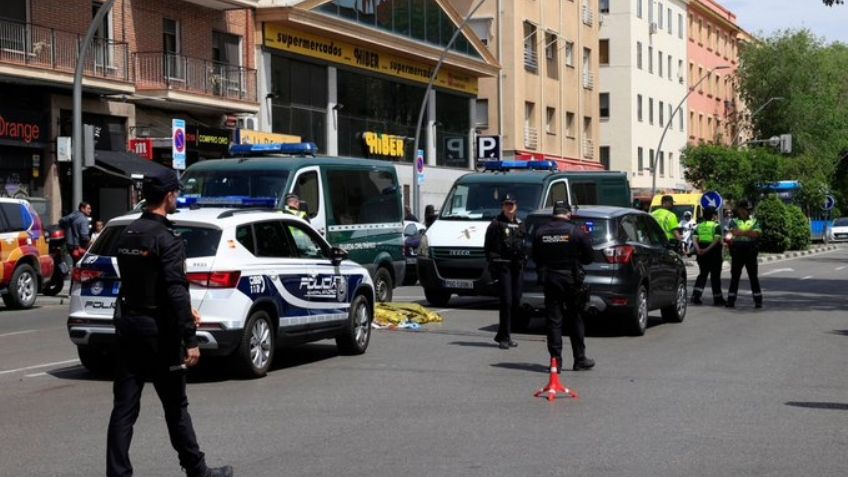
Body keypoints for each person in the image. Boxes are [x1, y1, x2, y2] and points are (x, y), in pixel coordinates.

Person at [107, 169, 233, 477]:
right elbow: (175, 290)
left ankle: (117, 474)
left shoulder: (128, 233)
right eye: (176, 193)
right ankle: (198, 471)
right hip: (159, 333)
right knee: (176, 406)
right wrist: (190, 337)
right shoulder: (168, 238)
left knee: (124, 409)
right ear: (169, 196)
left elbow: (139, 283)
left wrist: (184, 313)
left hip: (129, 325)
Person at [532, 201, 595, 371]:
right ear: (567, 213)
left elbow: (534, 256)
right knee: (575, 318)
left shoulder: (541, 231)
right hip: (571, 280)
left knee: (554, 321)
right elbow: (590, 257)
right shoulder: (575, 231)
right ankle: (580, 359)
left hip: (550, 280)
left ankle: (555, 361)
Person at [484, 193, 526, 349]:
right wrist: (494, 263)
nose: (509, 207)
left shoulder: (521, 224)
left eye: (512, 205)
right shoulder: (496, 224)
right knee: (506, 301)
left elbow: (524, 244)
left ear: (516, 207)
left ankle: (504, 334)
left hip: (517, 267)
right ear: (503, 206)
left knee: (515, 300)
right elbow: (488, 248)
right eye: (506, 205)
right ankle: (504, 336)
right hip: (503, 267)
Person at [726, 200, 762, 308]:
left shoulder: (755, 221)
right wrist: (748, 232)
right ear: (740, 209)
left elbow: (756, 234)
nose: (746, 211)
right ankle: (731, 300)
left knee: (753, 277)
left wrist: (741, 232)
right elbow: (733, 233)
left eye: (748, 209)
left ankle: (758, 301)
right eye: (745, 209)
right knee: (735, 277)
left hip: (751, 251)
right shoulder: (734, 221)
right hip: (737, 251)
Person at [691, 207, 726, 306]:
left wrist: (698, 249)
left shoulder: (699, 226)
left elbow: (694, 238)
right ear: (713, 216)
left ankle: (695, 297)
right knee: (715, 277)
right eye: (715, 214)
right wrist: (707, 249)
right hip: (714, 254)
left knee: (702, 275)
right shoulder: (716, 226)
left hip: (701, 254)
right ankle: (718, 299)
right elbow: (716, 240)